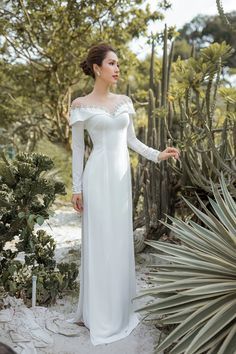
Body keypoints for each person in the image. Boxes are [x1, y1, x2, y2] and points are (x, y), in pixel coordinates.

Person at [68, 43, 180, 346]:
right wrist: (76, 188)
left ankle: (119, 308)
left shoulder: (124, 101)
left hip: (120, 181)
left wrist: (159, 154)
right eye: (112, 63)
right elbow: (78, 150)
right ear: (97, 68)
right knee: (99, 241)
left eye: (118, 64)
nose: (117, 69)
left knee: (118, 242)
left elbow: (132, 141)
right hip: (95, 179)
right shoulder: (80, 104)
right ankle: (97, 313)